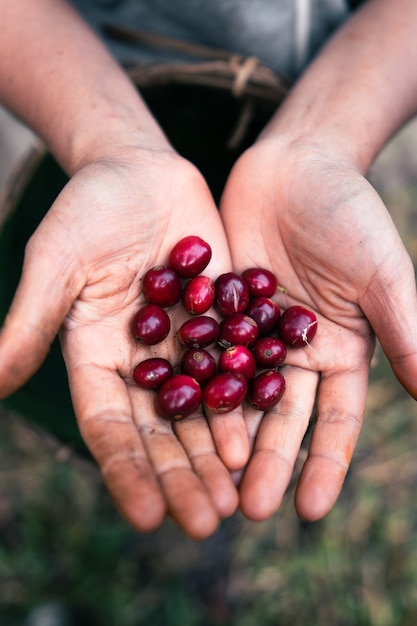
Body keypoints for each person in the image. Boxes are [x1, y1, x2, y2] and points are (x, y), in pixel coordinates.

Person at [0, 0, 416, 540]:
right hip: (72, 102)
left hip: (323, 104)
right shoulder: (209, 323)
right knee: (89, 380)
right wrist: (106, 144)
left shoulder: (241, 325)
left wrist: (325, 141)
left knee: (256, 425)